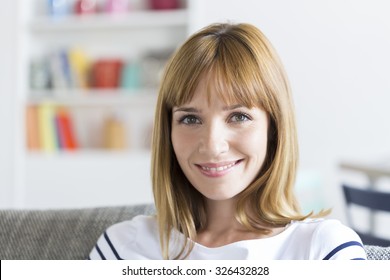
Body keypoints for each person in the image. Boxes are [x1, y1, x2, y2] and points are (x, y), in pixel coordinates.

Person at [89, 22, 367, 260]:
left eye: (238, 116)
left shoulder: (325, 251)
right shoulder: (124, 247)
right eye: (190, 119)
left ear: (273, 127)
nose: (212, 144)